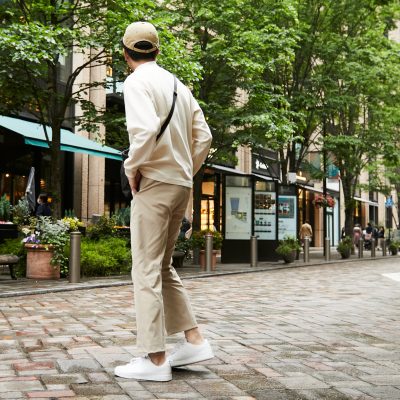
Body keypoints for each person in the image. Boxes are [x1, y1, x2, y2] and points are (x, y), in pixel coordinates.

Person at [114, 22, 213, 382]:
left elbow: (142, 132)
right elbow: (204, 135)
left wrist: (132, 169)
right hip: (181, 183)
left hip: (154, 184)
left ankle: (155, 359)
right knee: (163, 265)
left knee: (145, 269)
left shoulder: (136, 82)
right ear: (157, 50)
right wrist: (185, 167)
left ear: (126, 54)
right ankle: (194, 340)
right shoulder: (179, 85)